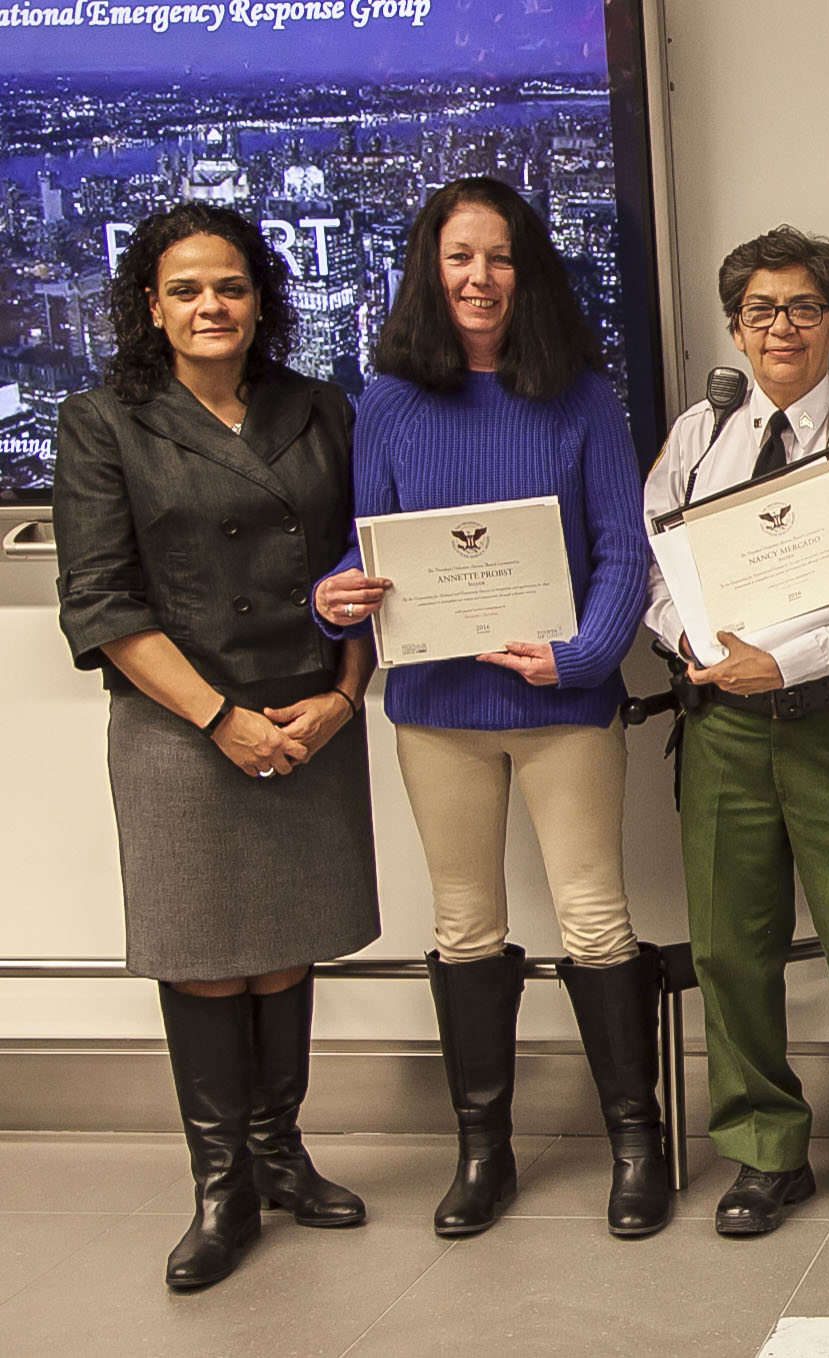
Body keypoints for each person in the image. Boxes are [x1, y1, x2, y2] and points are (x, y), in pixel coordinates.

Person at [310, 177, 662, 1240]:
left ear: (528, 271)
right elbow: (370, 545)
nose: (478, 277)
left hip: (563, 702)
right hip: (436, 704)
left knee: (596, 918)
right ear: (429, 267)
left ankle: (635, 1143)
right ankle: (483, 1149)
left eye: (499, 256)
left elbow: (622, 547)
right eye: (459, 256)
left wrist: (584, 654)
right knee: (465, 924)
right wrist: (332, 600)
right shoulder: (387, 400)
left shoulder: (584, 396)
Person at [53, 203, 379, 1290]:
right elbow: (99, 602)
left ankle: (282, 1153)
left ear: (261, 298)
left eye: (229, 285)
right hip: (181, 727)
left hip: (308, 712)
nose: (210, 306)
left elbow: (367, 568)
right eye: (186, 288)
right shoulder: (106, 420)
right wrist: (220, 718)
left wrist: (344, 692)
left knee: (286, 942)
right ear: (151, 304)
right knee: (204, 955)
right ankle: (222, 1184)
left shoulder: (321, 406)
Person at [645, 227, 829, 1235]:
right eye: (760, 310)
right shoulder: (697, 436)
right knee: (733, 949)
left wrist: (792, 660)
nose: (781, 327)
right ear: (736, 325)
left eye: (803, 308)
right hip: (725, 732)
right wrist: (686, 633)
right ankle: (764, 1151)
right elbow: (655, 567)